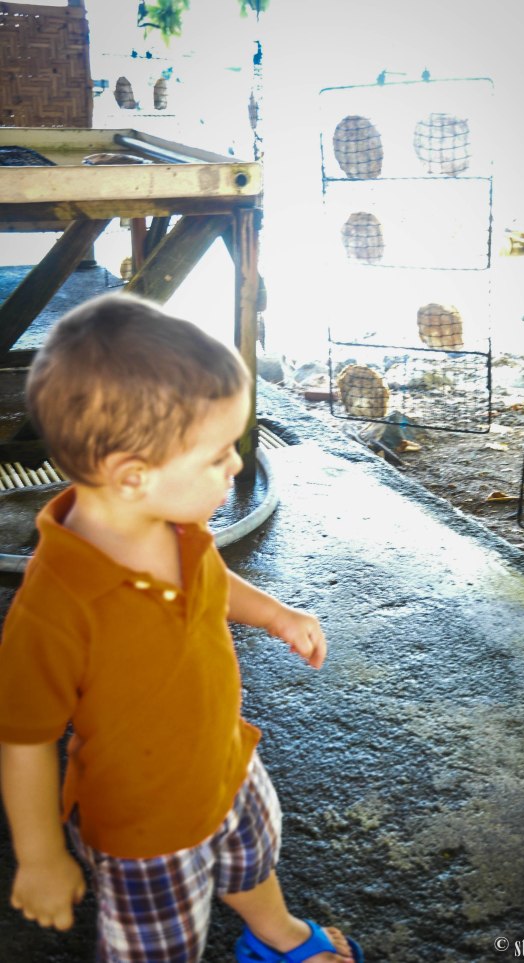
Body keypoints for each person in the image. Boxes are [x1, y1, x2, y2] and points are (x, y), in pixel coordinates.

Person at [0, 293, 363, 963]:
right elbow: (25, 741)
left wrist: (276, 613)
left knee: (251, 858)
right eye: (220, 452)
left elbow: (211, 580)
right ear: (134, 476)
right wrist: (40, 854)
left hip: (226, 761)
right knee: (159, 946)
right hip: (145, 831)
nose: (235, 465)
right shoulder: (55, 609)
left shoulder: (174, 524)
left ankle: (276, 933)